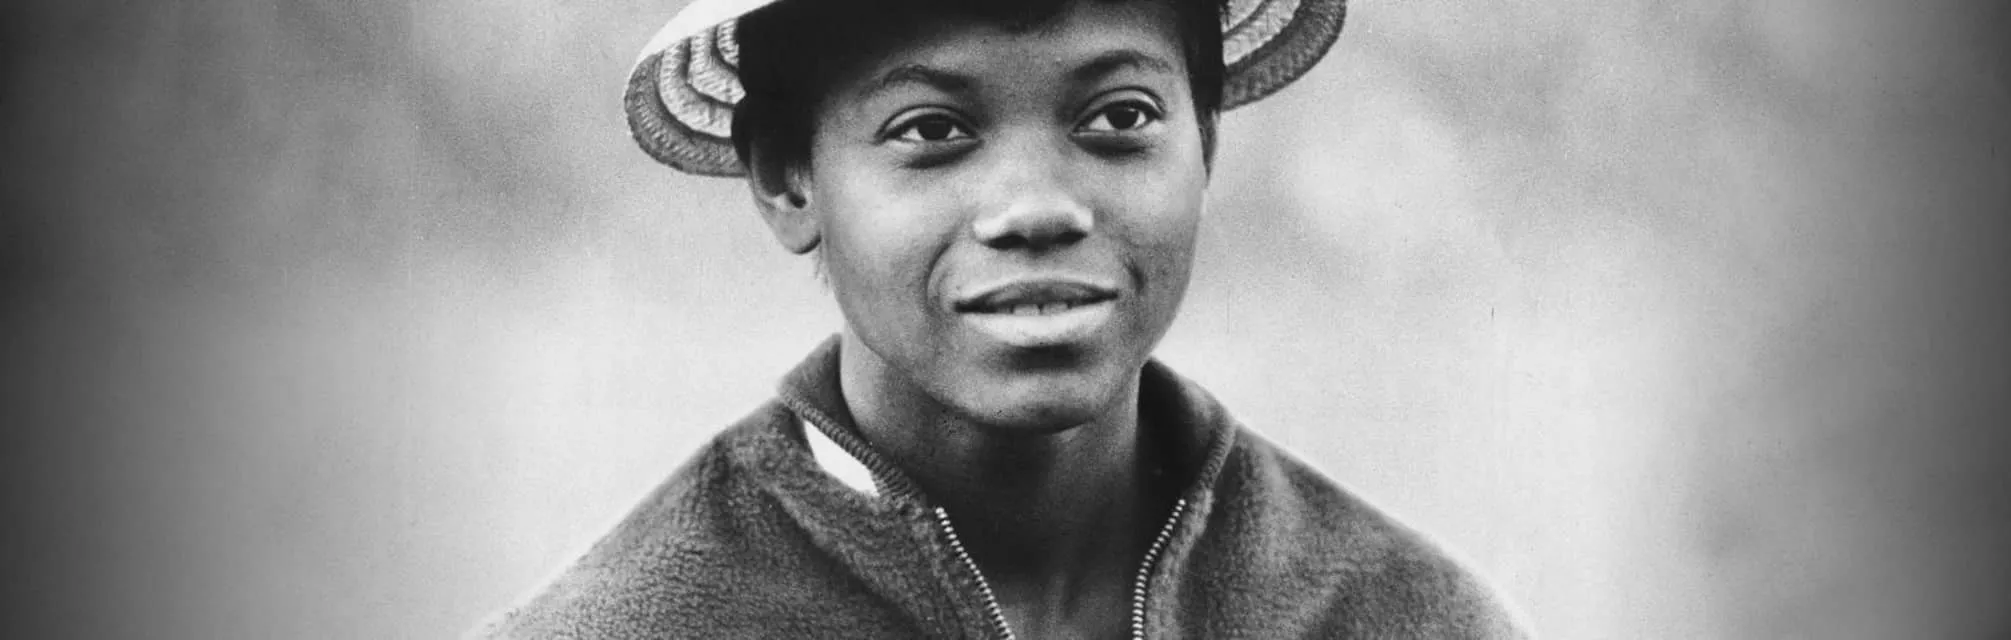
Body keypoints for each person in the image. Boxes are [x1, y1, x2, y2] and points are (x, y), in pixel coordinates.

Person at [476, 0, 1529, 637]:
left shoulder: (1399, 615)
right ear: (789, 178)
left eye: (1119, 115)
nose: (1036, 208)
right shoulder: (632, 625)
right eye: (931, 128)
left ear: (1205, 141)